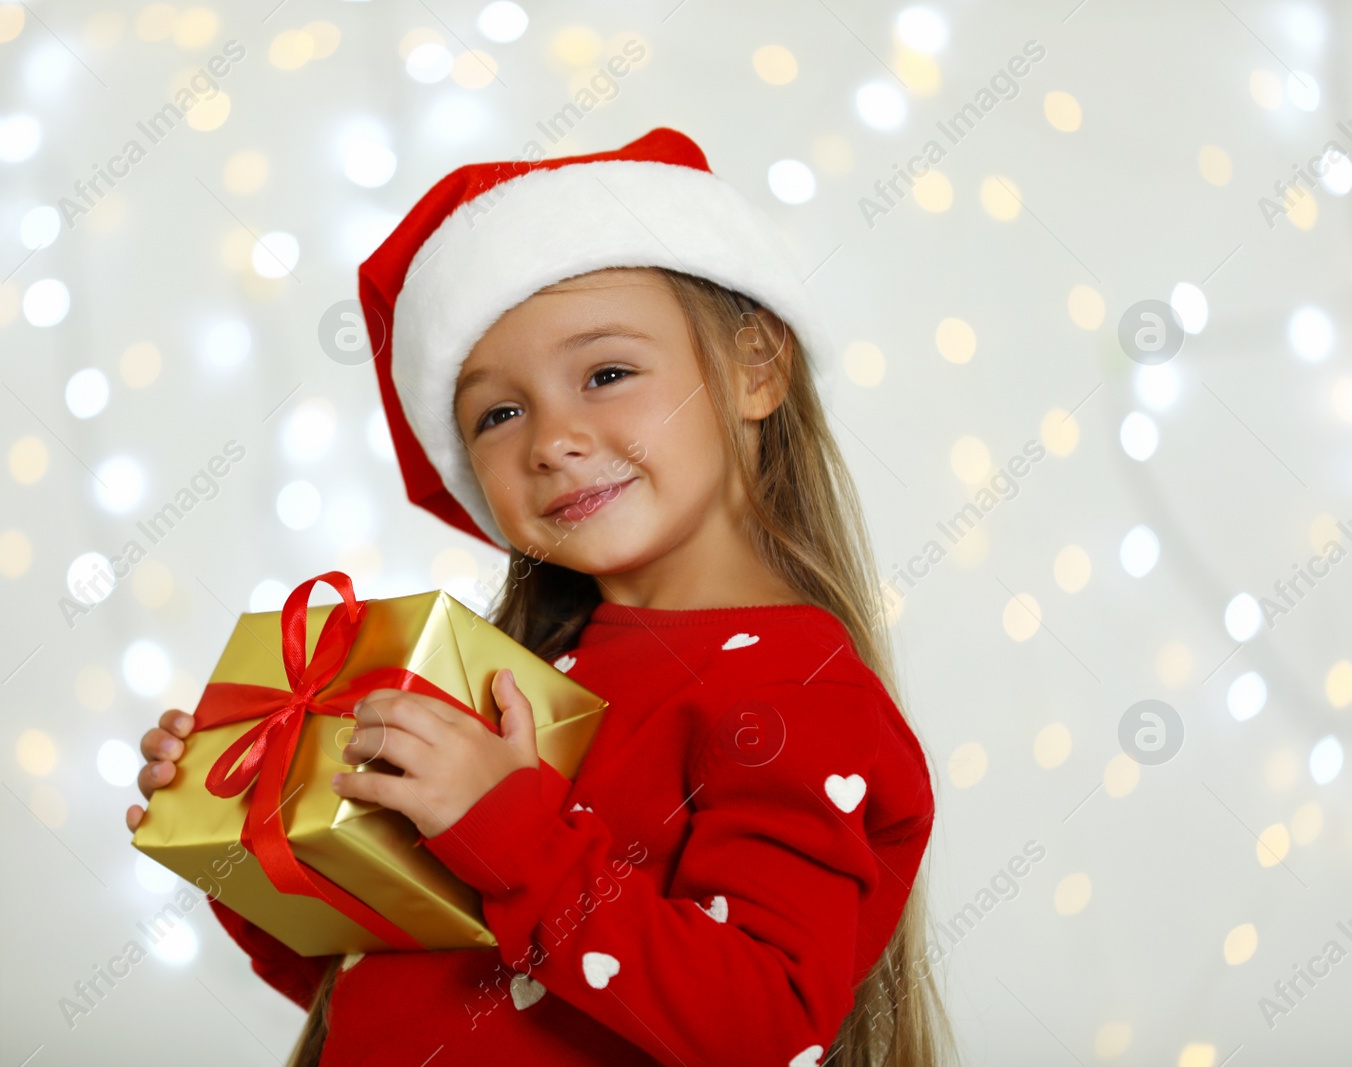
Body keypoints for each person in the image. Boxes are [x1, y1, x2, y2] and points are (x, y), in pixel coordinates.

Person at [125, 128, 955, 1066]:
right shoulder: (507, 670)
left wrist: (508, 828)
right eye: (499, 413)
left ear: (754, 367)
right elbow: (418, 982)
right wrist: (248, 845)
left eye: (606, 374)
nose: (552, 439)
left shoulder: (799, 694)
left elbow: (757, 1024)